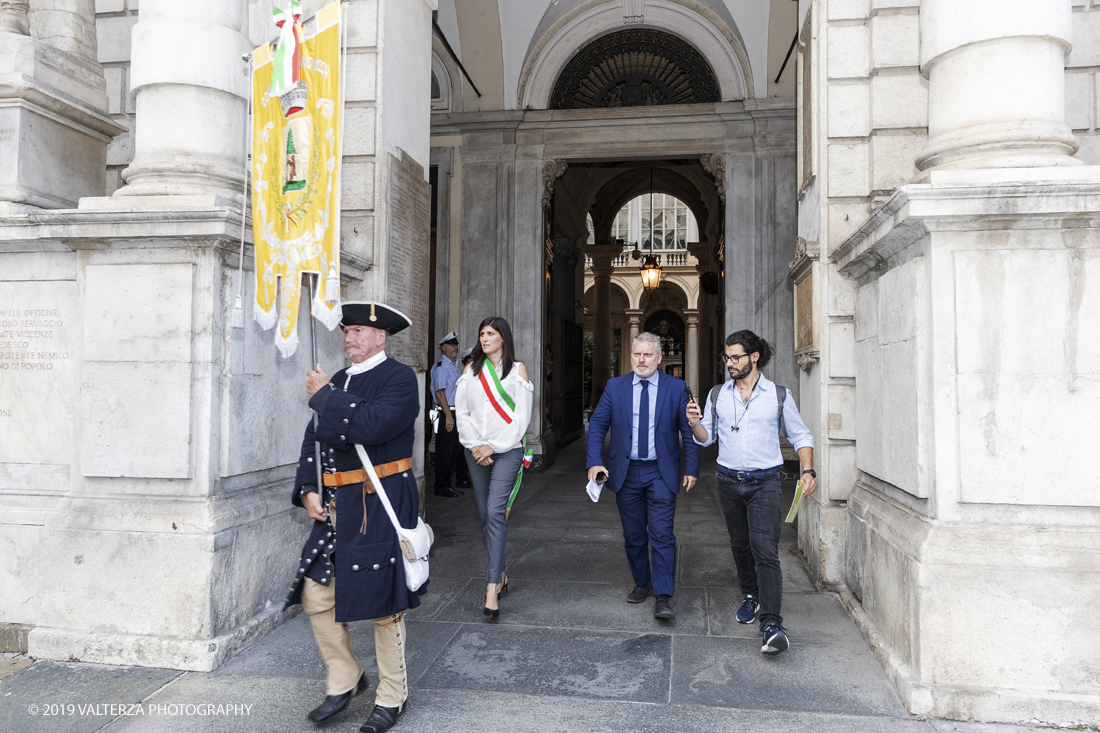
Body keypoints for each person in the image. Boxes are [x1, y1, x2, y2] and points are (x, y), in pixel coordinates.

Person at [284, 301, 424, 733]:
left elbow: (375, 425)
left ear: (380, 337)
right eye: (347, 330)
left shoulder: (400, 379)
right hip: (338, 504)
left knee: (385, 603)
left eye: (359, 331)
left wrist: (325, 395)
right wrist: (309, 487)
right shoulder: (341, 378)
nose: (349, 338)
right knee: (316, 594)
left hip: (381, 500)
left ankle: (392, 695)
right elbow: (314, 440)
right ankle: (345, 678)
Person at [686, 329, 817, 656]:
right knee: (740, 545)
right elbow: (707, 438)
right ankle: (750, 594)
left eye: (735, 357)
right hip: (728, 481)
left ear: (754, 357)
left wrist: (808, 469)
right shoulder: (718, 394)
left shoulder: (778, 395)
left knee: (765, 550)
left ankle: (772, 623)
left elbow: (801, 435)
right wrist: (694, 424)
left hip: (765, 483)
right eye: (726, 357)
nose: (729, 363)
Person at [586, 332, 699, 620]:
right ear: (631, 355)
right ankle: (642, 583)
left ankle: (663, 596)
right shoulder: (615, 387)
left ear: (659, 358)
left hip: (662, 471)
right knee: (634, 535)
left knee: (662, 534)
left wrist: (691, 468)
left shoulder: (676, 388)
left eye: (648, 355)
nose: (641, 359)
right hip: (626, 472)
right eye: (637, 354)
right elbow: (598, 425)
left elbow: (688, 430)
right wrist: (594, 463)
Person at [453, 316, 533, 619]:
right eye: (481, 334)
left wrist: (494, 446)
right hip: (475, 450)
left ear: (503, 338)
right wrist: (475, 445)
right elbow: (463, 411)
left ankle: (491, 588)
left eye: (491, 333)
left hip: (507, 450)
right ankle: (500, 573)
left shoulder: (518, 371)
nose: (484, 338)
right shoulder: (471, 370)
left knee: (496, 512)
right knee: (485, 514)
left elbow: (521, 418)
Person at [429, 331, 471, 497]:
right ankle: (441, 486)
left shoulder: (453, 366)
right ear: (443, 348)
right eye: (452, 345)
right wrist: (448, 416)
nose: (456, 348)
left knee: (453, 452)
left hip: (455, 412)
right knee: (445, 452)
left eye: (456, 345)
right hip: (447, 413)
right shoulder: (441, 367)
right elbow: (440, 393)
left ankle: (446, 484)